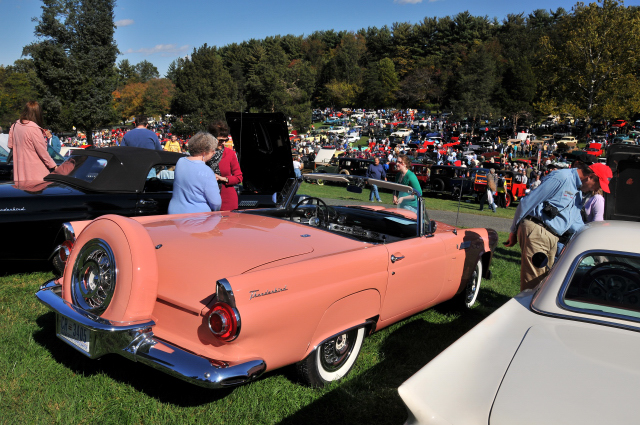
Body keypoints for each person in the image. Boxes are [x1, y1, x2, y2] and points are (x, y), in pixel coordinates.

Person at [504, 162, 612, 291]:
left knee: (544, 282)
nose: (595, 189)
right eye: (597, 185)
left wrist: (592, 240)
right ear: (590, 176)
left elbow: (575, 222)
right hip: (537, 230)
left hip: (553, 236)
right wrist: (513, 231)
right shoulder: (561, 177)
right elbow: (527, 202)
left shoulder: (578, 190)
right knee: (533, 283)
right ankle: (524, 309)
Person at [168, 132, 221, 214]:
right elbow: (216, 203)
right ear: (204, 152)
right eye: (212, 150)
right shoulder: (207, 171)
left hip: (174, 213)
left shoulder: (180, 162)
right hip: (197, 218)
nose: (214, 152)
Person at [8, 101, 57, 181]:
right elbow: (43, 152)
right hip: (36, 175)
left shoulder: (14, 126)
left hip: (20, 175)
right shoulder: (34, 129)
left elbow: (10, 145)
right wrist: (54, 166)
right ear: (38, 114)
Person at [206, 120, 243, 211]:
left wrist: (224, 178)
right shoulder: (203, 153)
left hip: (227, 201)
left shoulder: (230, 153)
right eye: (220, 140)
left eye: (225, 140)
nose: (223, 143)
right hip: (206, 200)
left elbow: (239, 177)